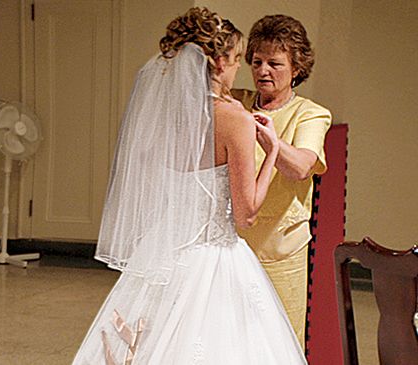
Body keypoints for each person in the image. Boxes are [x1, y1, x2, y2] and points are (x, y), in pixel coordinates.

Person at [73, 8, 306, 364]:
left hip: (165, 251)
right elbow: (246, 214)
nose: (239, 69)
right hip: (216, 256)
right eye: (236, 60)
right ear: (217, 62)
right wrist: (272, 150)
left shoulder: (169, 114)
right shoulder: (235, 120)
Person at [231, 15, 332, 348]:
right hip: (232, 248)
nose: (263, 71)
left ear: (297, 67)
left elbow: (302, 167)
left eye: (274, 63)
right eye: (257, 62)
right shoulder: (238, 103)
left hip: (281, 251)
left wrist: (270, 142)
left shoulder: (311, 113)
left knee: (278, 345)